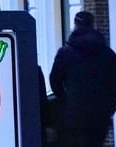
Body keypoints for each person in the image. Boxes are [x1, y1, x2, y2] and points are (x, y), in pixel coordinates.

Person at [49, 11, 116, 146]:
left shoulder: (65, 53)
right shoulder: (107, 54)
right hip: (100, 115)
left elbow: (54, 80)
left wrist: (65, 100)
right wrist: (109, 107)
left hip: (73, 115)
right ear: (93, 25)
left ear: (75, 25)